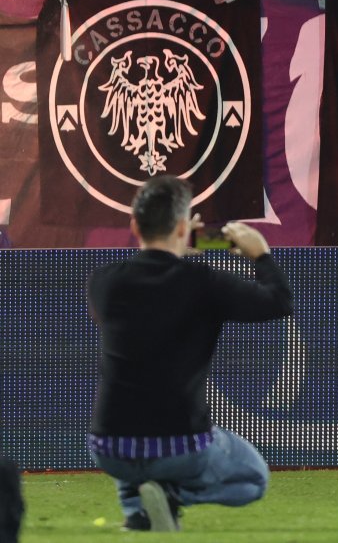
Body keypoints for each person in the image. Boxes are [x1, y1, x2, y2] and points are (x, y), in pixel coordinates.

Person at [87, 175, 288, 533]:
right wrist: (260, 254)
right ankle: (172, 496)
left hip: (109, 446)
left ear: (134, 225)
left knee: (133, 411)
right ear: (183, 226)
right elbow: (278, 301)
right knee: (255, 479)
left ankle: (138, 510)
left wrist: (178, 249)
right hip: (179, 448)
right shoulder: (205, 282)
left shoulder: (104, 282)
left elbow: (153, 294)